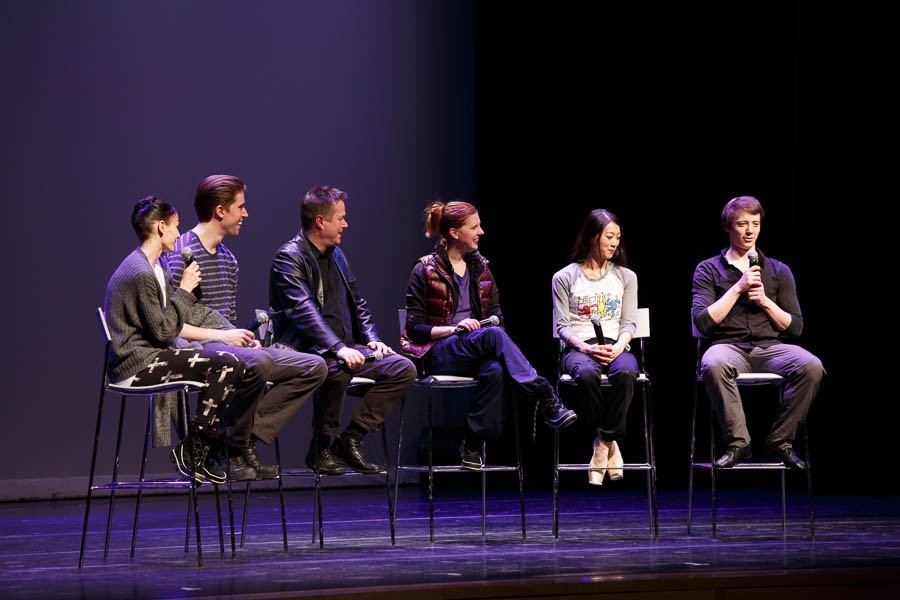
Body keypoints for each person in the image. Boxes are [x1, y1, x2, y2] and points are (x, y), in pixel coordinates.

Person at [164, 174, 328, 480]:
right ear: (220, 211)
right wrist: (224, 336)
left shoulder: (229, 260)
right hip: (197, 349)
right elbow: (170, 327)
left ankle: (234, 441)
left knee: (314, 367)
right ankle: (233, 447)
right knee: (260, 361)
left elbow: (226, 320)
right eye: (240, 207)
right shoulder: (180, 254)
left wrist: (243, 339)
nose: (246, 213)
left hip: (226, 345)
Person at [401, 199, 576, 471]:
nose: (481, 232)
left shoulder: (481, 268)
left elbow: (497, 318)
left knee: (495, 369)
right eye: (474, 227)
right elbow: (414, 328)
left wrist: (483, 334)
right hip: (436, 352)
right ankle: (543, 396)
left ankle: (472, 443)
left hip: (473, 348)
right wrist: (455, 329)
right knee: (493, 336)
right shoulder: (424, 269)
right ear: (454, 233)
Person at [268, 184, 417, 475]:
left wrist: (372, 340)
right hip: (308, 352)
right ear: (320, 221)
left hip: (347, 349)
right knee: (338, 369)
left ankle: (350, 439)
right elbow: (304, 312)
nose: (345, 224)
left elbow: (358, 302)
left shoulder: (337, 255)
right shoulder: (289, 257)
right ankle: (321, 445)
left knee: (403, 368)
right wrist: (338, 348)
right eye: (341, 218)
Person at [104, 196, 248, 484]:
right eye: (176, 226)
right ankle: (197, 446)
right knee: (227, 364)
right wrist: (184, 290)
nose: (179, 234)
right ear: (161, 227)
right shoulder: (140, 272)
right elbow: (164, 332)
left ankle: (198, 445)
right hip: (137, 365)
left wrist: (221, 331)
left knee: (230, 362)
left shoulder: (156, 266)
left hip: (151, 356)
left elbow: (170, 324)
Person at [692, 195, 824, 470]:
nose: (750, 230)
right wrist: (737, 288)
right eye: (742, 224)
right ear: (728, 226)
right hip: (728, 347)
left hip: (771, 349)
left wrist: (765, 301)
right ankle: (739, 443)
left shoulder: (778, 270)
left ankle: (780, 440)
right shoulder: (708, 269)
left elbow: (795, 328)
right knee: (713, 363)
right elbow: (703, 323)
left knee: (811, 365)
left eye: (755, 223)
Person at [552, 209, 639, 485]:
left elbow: (629, 322)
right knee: (587, 374)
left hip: (616, 346)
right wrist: (587, 349)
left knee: (627, 373)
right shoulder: (564, 277)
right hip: (579, 350)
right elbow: (562, 326)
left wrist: (619, 347)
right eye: (609, 237)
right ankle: (611, 445)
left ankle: (602, 444)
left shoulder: (626, 277)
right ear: (592, 237)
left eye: (618, 237)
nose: (615, 243)